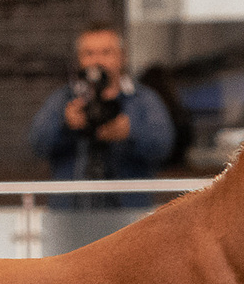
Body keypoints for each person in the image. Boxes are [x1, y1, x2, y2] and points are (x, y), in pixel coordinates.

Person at [26, 23, 175, 209]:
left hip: (128, 215)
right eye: (89, 54)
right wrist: (66, 125)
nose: (97, 61)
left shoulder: (143, 99)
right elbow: (38, 143)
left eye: (106, 52)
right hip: (71, 216)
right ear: (79, 60)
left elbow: (163, 146)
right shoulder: (64, 99)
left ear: (122, 57)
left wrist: (130, 133)